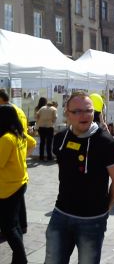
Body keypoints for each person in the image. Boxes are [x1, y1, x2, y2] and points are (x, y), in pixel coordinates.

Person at [44, 91, 114, 264]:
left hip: (92, 220)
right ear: (67, 113)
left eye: (88, 110)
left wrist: (105, 208)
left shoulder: (106, 143)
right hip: (61, 214)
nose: (84, 115)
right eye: (77, 111)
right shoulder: (60, 139)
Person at [0, 105, 36, 263]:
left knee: (8, 227)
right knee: (14, 224)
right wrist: (20, 159)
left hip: (7, 187)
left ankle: (21, 258)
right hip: (20, 182)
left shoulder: (7, 138)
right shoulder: (19, 134)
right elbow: (33, 142)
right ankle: (18, 258)